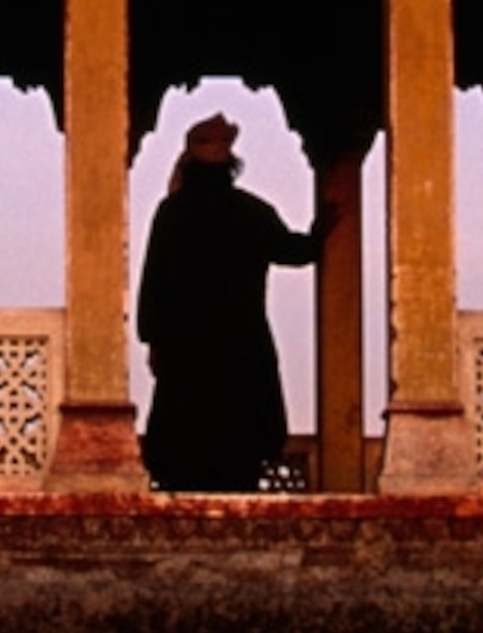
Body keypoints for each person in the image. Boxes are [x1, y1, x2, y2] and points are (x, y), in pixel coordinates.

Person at [135, 114, 335, 491]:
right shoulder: (250, 211)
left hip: (185, 347)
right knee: (239, 441)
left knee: (185, 438)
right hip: (240, 345)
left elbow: (154, 282)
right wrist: (320, 232)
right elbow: (293, 251)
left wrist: (153, 339)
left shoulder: (173, 213)